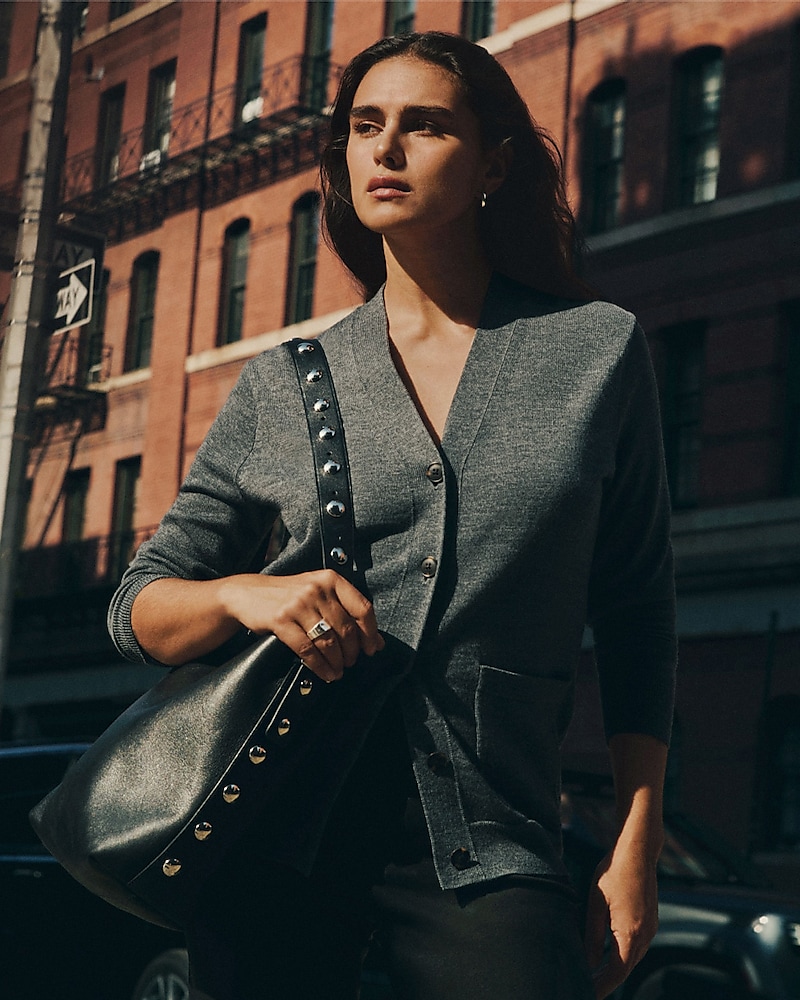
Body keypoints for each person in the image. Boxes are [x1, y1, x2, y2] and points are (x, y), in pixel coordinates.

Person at [108, 31, 677, 1000]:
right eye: (365, 126)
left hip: (490, 843)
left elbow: (635, 614)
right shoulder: (281, 384)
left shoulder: (594, 353)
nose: (385, 148)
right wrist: (250, 595)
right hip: (274, 835)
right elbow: (138, 608)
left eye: (423, 125)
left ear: (492, 162)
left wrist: (634, 848)